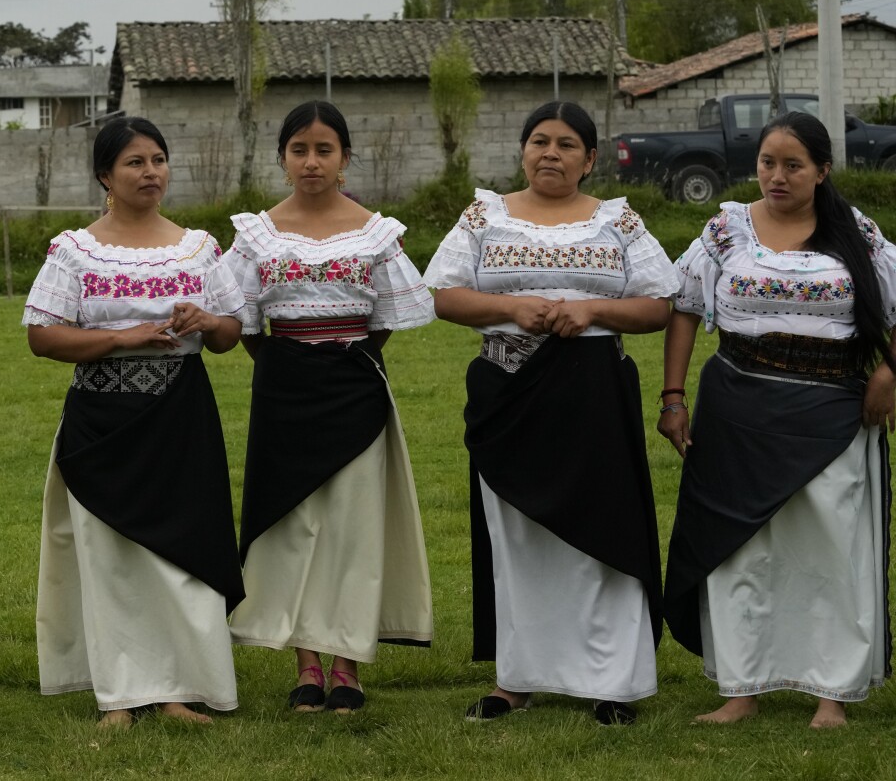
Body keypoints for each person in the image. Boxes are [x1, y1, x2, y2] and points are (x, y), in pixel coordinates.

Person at [425, 101, 677, 726]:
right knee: (517, 536)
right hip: (509, 391)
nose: (550, 154)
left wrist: (592, 311)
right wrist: (512, 308)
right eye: (539, 141)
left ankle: (613, 682)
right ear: (522, 150)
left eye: (567, 145)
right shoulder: (485, 214)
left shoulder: (617, 222)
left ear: (590, 160)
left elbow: (659, 304)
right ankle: (516, 679)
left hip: (593, 391)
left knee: (602, 530)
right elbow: (445, 294)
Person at [659, 111, 895, 729]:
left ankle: (831, 695)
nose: (777, 176)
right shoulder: (727, 228)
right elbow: (684, 303)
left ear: (821, 171)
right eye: (768, 162)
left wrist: (889, 372)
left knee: (830, 549)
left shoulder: (856, 234)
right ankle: (742, 688)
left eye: (793, 165)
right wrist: (674, 397)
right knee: (742, 552)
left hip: (830, 413)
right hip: (737, 410)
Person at [26, 117, 245, 728]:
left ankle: (180, 690)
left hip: (180, 416)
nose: (150, 173)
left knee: (181, 553)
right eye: (134, 163)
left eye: (158, 160)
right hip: (102, 418)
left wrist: (206, 321)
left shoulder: (198, 247)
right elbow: (42, 337)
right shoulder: (76, 250)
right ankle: (120, 696)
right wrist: (122, 339)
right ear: (105, 175)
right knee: (112, 557)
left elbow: (232, 333)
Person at [218, 100, 435, 714]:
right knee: (293, 527)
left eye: (324, 150)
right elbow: (240, 320)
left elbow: (388, 318)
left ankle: (347, 667)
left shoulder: (376, 233)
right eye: (299, 150)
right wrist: (291, 362)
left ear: (344, 159)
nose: (311, 162)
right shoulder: (256, 234)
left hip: (356, 389)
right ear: (283, 159)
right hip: (283, 390)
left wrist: (341, 357)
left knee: (351, 528)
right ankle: (306, 665)